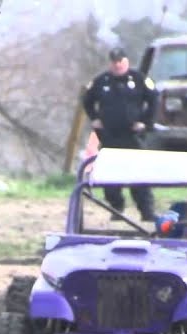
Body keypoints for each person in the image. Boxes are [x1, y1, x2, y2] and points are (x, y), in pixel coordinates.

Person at [80, 47, 158, 221]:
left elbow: (154, 100)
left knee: (138, 175)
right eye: (114, 62)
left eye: (120, 61)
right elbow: (87, 101)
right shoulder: (101, 81)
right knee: (111, 176)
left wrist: (145, 123)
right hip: (110, 136)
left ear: (126, 61)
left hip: (133, 137)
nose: (117, 65)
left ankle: (146, 211)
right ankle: (117, 209)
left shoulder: (139, 80)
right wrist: (94, 118)